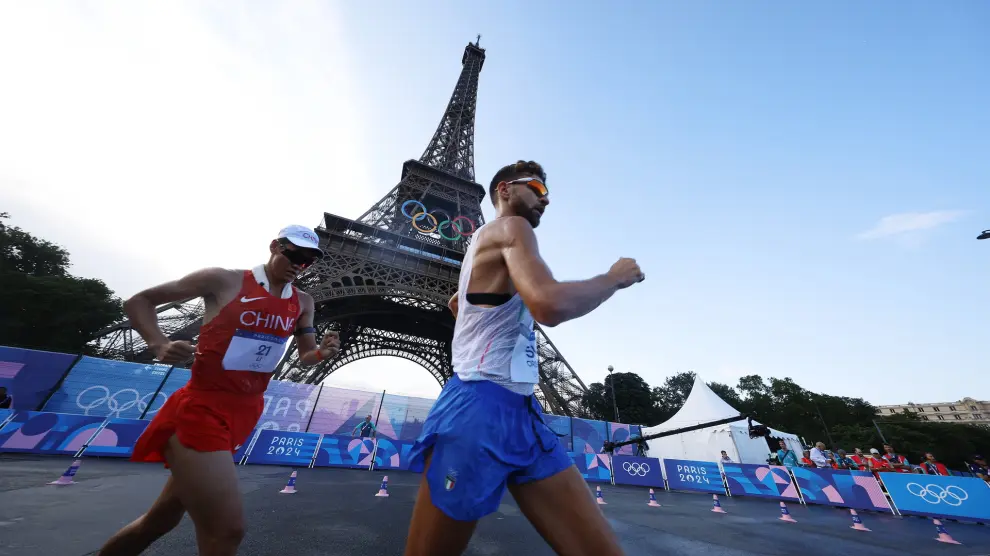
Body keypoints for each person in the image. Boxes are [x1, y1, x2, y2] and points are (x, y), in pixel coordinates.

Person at [402, 161, 644, 556]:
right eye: (535, 187)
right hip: (478, 411)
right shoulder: (513, 229)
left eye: (549, 195)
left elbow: (457, 304)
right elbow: (548, 304)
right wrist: (613, 278)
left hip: (522, 413)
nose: (544, 199)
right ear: (504, 190)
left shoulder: (485, 244)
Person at [96, 225, 341, 556]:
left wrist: (321, 354)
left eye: (308, 260)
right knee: (227, 532)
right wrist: (159, 344)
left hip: (245, 412)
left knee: (158, 522)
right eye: (293, 253)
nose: (299, 263)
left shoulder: (303, 302)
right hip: (202, 410)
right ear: (274, 246)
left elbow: (306, 355)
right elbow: (139, 301)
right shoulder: (223, 280)